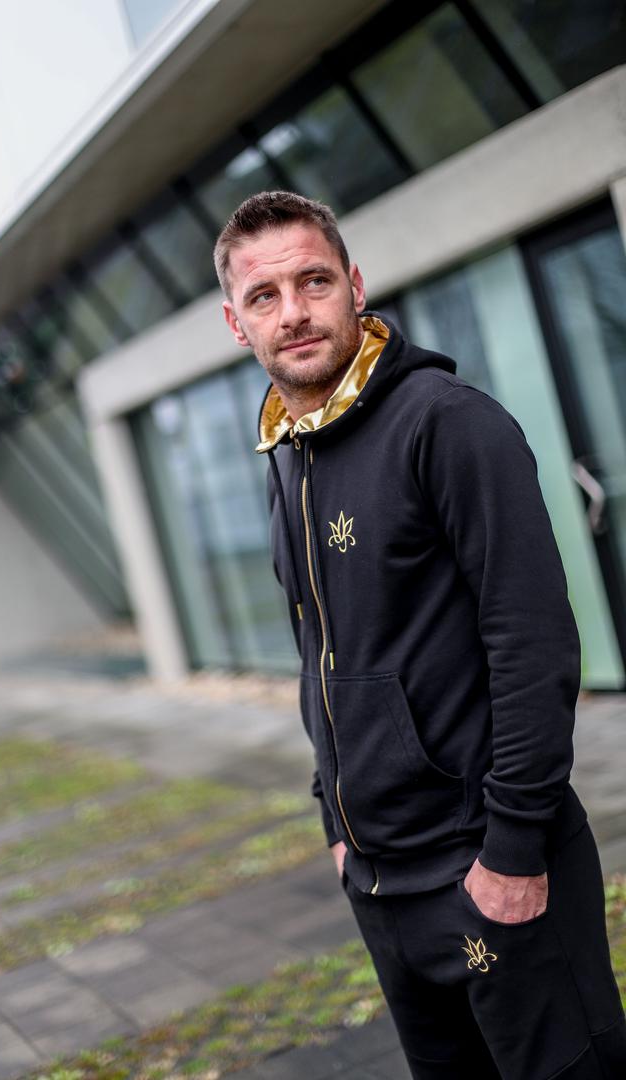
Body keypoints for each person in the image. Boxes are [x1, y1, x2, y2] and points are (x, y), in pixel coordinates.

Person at [214, 190, 626, 1079]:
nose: (294, 312)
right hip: (380, 884)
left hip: (490, 869)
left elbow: (533, 642)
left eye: (314, 282)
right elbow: (320, 652)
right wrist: (336, 820)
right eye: (264, 296)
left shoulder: (447, 423)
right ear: (236, 323)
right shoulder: (289, 457)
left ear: (355, 286)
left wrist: (512, 850)